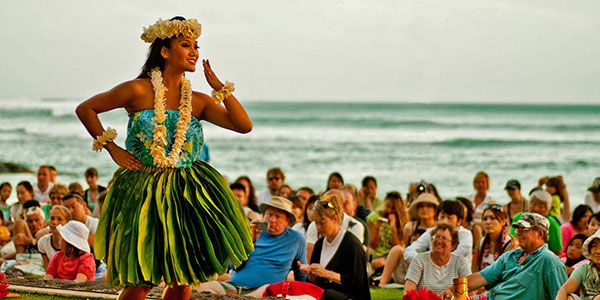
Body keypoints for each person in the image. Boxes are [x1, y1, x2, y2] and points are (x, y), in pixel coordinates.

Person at [75, 16, 253, 300]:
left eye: (196, 45)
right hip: (142, 189)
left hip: (187, 191)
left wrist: (220, 88)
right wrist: (113, 148)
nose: (194, 51)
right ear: (165, 52)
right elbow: (86, 109)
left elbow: (244, 125)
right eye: (186, 45)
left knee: (182, 276)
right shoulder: (137, 90)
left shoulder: (198, 101)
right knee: (141, 279)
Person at [442, 213, 568, 300]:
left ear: (540, 234)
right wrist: (452, 289)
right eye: (517, 229)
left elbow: (559, 296)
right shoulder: (511, 256)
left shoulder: (549, 260)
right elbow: (481, 277)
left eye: (524, 229)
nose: (518, 233)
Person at [198, 196, 306, 296]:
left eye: (278, 217)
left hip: (264, 291)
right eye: (269, 214)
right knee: (200, 287)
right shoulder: (251, 231)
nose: (272, 220)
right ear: (264, 215)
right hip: (234, 287)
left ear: (287, 221)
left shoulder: (296, 239)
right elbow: (233, 266)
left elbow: (301, 273)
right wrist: (251, 240)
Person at [298, 194, 370, 300]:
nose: (318, 227)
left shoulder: (352, 245)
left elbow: (357, 283)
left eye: (322, 223)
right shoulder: (319, 244)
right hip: (325, 294)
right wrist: (311, 273)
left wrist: (327, 273)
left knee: (328, 294)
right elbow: (314, 283)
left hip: (349, 296)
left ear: (335, 219)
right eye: (316, 223)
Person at [374, 193, 439, 287]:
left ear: (434, 210)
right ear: (417, 209)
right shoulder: (410, 227)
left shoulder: (438, 228)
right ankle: (382, 283)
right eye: (421, 206)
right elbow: (407, 249)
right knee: (397, 249)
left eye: (429, 206)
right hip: (411, 265)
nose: (424, 209)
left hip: (431, 268)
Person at [404, 199, 473, 271]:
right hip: (433, 274)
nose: (445, 221)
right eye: (442, 217)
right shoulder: (432, 232)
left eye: (450, 218)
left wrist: (437, 261)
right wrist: (423, 261)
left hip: (457, 276)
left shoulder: (465, 234)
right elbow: (410, 250)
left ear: (459, 221)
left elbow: (460, 252)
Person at [404, 223, 471, 295]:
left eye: (444, 238)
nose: (439, 241)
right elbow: (408, 293)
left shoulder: (460, 262)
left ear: (453, 246)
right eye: (436, 237)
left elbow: (470, 290)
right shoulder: (419, 260)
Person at [305, 190, 364, 261]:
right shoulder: (315, 227)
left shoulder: (355, 227)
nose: (319, 227)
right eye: (324, 200)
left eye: (322, 223)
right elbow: (310, 260)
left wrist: (324, 272)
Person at [511, 189, 563, 255]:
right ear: (529, 204)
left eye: (541, 206)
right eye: (534, 204)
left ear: (548, 209)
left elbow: (557, 251)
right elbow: (512, 241)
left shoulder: (552, 224)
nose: (536, 208)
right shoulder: (519, 217)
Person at [367, 191, 408, 270]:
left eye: (393, 208)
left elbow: (397, 247)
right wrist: (378, 228)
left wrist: (393, 228)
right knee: (378, 263)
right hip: (378, 256)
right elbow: (372, 245)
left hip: (395, 255)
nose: (389, 210)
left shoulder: (403, 221)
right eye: (387, 206)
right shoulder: (375, 217)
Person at [555, 229, 600, 300]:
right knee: (568, 297)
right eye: (594, 246)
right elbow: (564, 289)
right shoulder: (584, 269)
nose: (598, 251)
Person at [475, 204, 518, 272]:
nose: (488, 222)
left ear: (503, 221)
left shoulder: (511, 243)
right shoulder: (481, 242)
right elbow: (475, 269)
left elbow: (511, 273)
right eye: (485, 219)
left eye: (492, 218)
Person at [457, 196, 483, 270]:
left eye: (462, 207)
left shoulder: (475, 229)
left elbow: (477, 252)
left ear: (468, 210)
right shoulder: (452, 228)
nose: (459, 210)